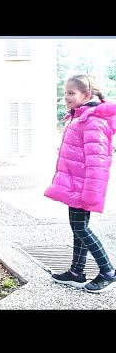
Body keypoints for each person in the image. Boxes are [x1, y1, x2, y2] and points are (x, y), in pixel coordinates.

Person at [44, 74, 116, 293]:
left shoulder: (92, 121)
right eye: (65, 92)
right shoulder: (80, 117)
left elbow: (98, 163)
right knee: (78, 229)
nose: (66, 97)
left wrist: (91, 194)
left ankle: (108, 272)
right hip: (75, 185)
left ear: (87, 95)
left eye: (71, 93)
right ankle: (77, 272)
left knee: (80, 228)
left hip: (84, 187)